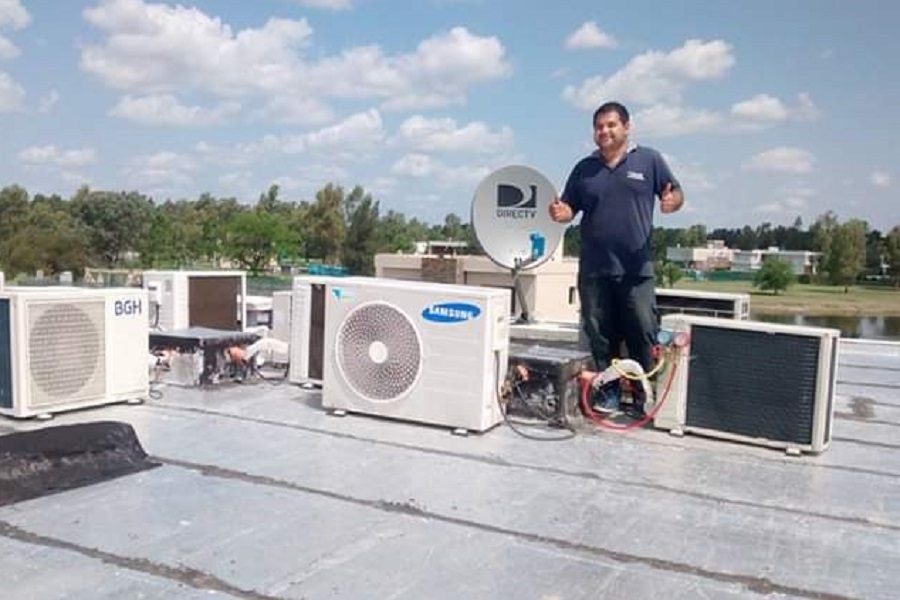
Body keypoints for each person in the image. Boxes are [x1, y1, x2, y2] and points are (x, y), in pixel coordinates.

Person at [549, 101, 684, 415]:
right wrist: (560, 212)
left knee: (642, 331)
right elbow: (569, 209)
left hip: (636, 269)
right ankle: (608, 394)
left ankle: (641, 397)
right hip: (595, 269)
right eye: (599, 126)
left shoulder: (649, 160)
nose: (604, 131)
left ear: (626, 127)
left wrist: (671, 202)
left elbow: (675, 193)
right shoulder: (584, 168)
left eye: (611, 125)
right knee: (601, 336)